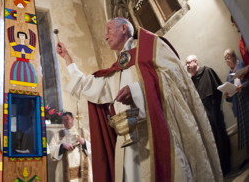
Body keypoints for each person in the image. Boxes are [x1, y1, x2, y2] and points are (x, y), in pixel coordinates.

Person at [56, 17, 222, 182]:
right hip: (129, 144)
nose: (105, 36)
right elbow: (92, 86)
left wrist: (137, 91)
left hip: (157, 132)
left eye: (109, 30)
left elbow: (175, 79)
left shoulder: (153, 48)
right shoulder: (118, 68)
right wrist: (68, 59)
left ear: (123, 29)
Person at [185, 54, 231, 175]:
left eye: (189, 63)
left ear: (196, 61)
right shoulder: (191, 81)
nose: (187, 66)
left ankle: (227, 167)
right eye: (186, 64)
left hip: (213, 111)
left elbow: (218, 90)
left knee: (220, 137)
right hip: (203, 115)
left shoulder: (207, 71)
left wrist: (214, 106)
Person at [48, 112, 91, 182]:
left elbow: (94, 147)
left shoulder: (83, 132)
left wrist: (84, 142)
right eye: (64, 120)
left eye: (68, 119)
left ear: (73, 119)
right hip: (65, 166)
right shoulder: (58, 134)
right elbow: (51, 148)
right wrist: (62, 146)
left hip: (82, 165)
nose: (66, 121)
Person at [223, 49, 249, 153]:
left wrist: (244, 86)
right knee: (246, 133)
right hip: (239, 106)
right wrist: (227, 94)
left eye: (228, 57)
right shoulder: (229, 76)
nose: (227, 61)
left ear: (234, 56)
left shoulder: (243, 65)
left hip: (247, 100)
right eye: (225, 59)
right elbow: (230, 97)